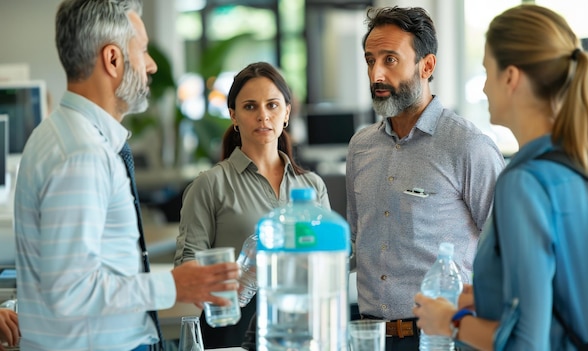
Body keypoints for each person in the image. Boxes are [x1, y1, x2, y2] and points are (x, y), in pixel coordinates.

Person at [13, 1, 239, 350]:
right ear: (113, 59)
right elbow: (70, 291)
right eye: (144, 51)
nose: (150, 66)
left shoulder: (62, 135)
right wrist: (174, 285)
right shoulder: (82, 153)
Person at [413, 4, 588, 350]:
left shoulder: (523, 183)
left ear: (510, 77)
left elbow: (528, 343)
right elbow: (566, 300)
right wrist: (485, 298)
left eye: (487, 71)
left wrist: (449, 321)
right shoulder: (579, 167)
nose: (483, 89)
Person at [346, 6, 505, 350]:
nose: (376, 74)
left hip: (440, 339)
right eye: (370, 60)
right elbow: (359, 242)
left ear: (427, 65)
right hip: (368, 337)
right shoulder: (360, 147)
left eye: (390, 60)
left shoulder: (469, 146)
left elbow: (505, 254)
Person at [174, 61, 331, 348]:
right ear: (233, 115)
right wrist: (244, 273)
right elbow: (188, 271)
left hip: (303, 332)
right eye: (250, 107)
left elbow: (329, 264)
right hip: (233, 334)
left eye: (272, 105)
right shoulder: (209, 185)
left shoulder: (312, 186)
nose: (263, 116)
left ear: (286, 113)